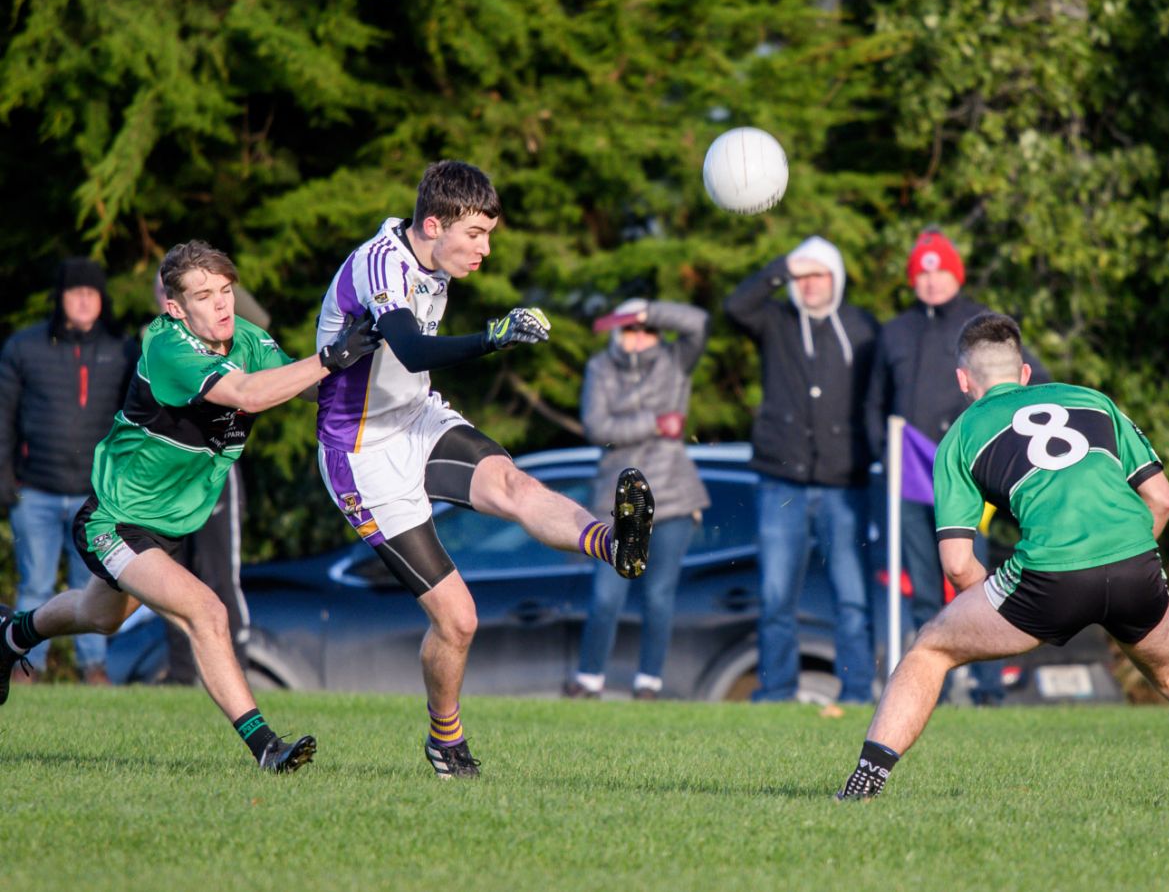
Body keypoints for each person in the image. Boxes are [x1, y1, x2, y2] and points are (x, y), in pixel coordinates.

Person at [837, 313, 1169, 807]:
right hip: (1136, 564)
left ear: (964, 381)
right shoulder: (1095, 401)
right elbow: (1162, 499)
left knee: (929, 650)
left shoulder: (961, 436)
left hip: (1050, 578)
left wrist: (999, 604)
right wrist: (1120, 556)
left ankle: (861, 789)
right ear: (1025, 372)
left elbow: (959, 565)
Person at [315, 159, 655, 778]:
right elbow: (412, 348)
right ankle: (445, 739)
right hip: (360, 454)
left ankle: (613, 542)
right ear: (434, 222)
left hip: (415, 419)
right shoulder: (379, 262)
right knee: (459, 619)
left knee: (513, 484)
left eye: (489, 236)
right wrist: (492, 337)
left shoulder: (434, 261)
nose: (486, 250)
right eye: (476, 234)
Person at [0, 240, 381, 773]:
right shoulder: (167, 347)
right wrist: (328, 359)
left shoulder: (246, 337)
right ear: (176, 308)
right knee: (208, 611)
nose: (222, 304)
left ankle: (10, 635)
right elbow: (247, 394)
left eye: (226, 290)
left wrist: (370, 355)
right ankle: (266, 748)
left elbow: (300, 389)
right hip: (116, 519)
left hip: (169, 524)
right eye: (205, 296)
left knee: (98, 618)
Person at [865, 228, 1049, 705]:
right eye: (922, 273)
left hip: (971, 477)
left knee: (976, 581)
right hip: (909, 479)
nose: (931, 281)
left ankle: (988, 688)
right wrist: (885, 457)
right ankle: (939, 692)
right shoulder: (895, 331)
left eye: (941, 271)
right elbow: (873, 404)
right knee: (925, 589)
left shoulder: (982, 324)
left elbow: (1033, 383)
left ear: (956, 274)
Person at [724, 236, 879, 704]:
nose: (810, 285)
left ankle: (856, 693)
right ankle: (776, 690)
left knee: (852, 599)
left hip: (845, 483)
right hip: (781, 483)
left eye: (819, 274)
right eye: (802, 276)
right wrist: (781, 267)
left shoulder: (863, 327)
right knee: (776, 599)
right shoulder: (776, 320)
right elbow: (735, 306)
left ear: (837, 278)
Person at [565, 297, 710, 701]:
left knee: (659, 595)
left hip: (674, 496)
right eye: (630, 328)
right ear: (617, 333)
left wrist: (647, 311)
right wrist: (655, 423)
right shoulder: (600, 367)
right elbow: (597, 426)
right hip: (618, 499)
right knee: (606, 595)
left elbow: (698, 321)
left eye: (647, 329)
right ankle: (589, 678)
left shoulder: (674, 360)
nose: (641, 336)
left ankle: (649, 683)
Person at [0, 258, 137, 685]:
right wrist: (5, 479)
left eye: (91, 293)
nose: (82, 300)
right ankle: (23, 665)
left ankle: (93, 668)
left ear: (102, 300)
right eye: (74, 292)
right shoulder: (24, 347)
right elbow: (3, 416)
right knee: (35, 585)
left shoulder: (123, 349)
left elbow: (138, 420)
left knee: (97, 586)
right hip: (35, 490)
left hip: (97, 495)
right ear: (60, 298)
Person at [149, 270, 266, 684]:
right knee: (170, 577)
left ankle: (239, 667)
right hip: (164, 476)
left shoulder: (231, 341)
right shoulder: (158, 343)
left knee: (220, 573)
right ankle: (182, 673)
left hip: (212, 469)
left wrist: (218, 291)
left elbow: (259, 322)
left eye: (221, 292)